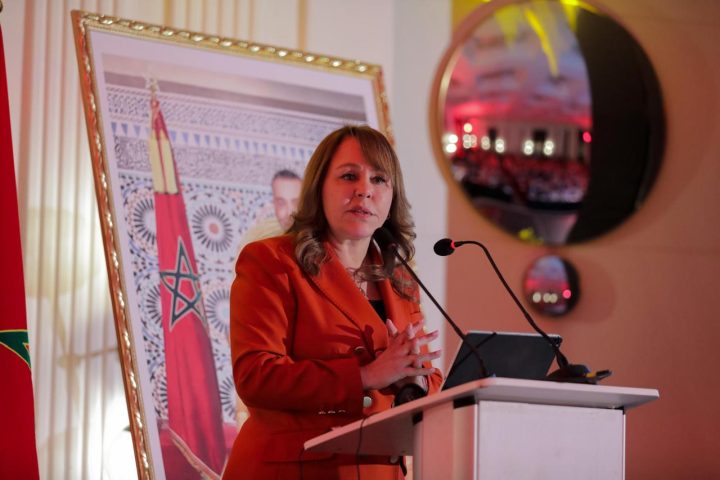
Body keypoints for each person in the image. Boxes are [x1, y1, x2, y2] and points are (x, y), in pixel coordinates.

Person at [223, 125, 443, 479]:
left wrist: (417, 380)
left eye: (379, 179)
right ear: (319, 188)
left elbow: (419, 373)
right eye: (349, 176)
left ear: (392, 197)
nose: (364, 190)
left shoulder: (400, 279)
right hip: (293, 470)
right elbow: (256, 376)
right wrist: (366, 375)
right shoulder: (271, 261)